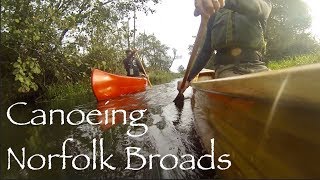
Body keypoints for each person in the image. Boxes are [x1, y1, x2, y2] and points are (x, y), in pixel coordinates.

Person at [178, 0, 272, 92]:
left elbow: (259, 8)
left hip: (257, 65)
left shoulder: (262, 4)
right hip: (227, 68)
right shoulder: (214, 14)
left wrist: (224, 2)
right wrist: (188, 78)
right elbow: (206, 51)